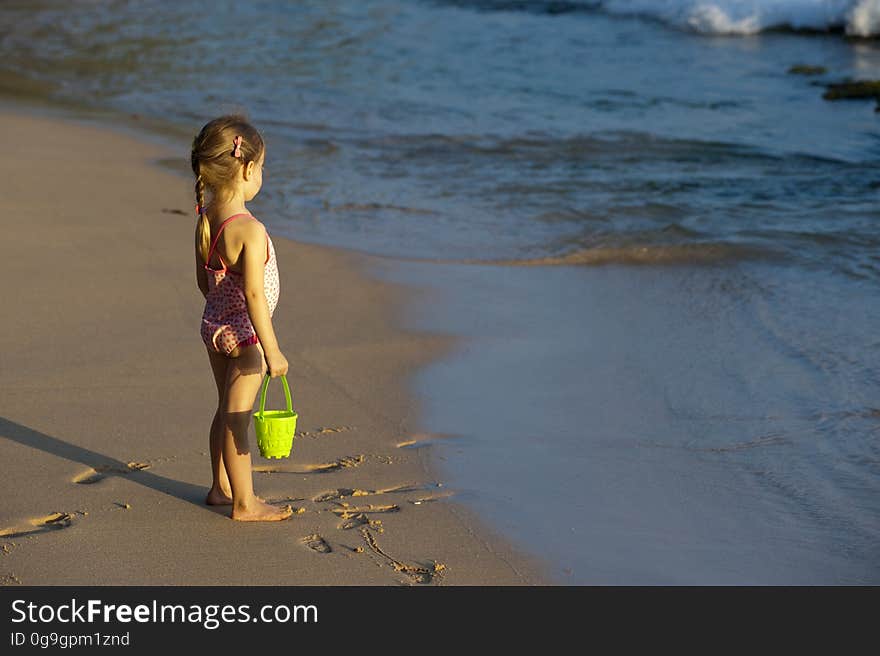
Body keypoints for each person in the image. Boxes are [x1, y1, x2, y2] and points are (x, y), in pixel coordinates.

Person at [191, 115, 293, 521]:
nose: (262, 174)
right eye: (262, 167)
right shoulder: (249, 229)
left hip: (213, 324)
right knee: (237, 418)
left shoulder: (207, 217)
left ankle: (220, 488)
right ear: (248, 169)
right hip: (246, 336)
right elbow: (253, 293)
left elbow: (204, 280)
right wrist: (272, 350)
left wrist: (221, 312)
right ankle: (245, 503)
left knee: (224, 408)